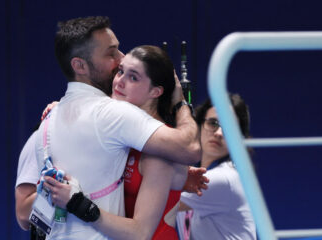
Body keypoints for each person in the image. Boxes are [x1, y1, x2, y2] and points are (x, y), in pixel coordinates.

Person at [17, 16, 201, 240]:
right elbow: (190, 147)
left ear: (156, 91)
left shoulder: (54, 117)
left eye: (133, 76)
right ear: (80, 65)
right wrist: (180, 103)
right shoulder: (112, 116)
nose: (119, 63)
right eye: (111, 54)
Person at [178, 94, 256, 240]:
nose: (219, 133)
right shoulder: (198, 173)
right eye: (213, 123)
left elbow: (159, 205)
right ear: (199, 125)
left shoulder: (225, 178)